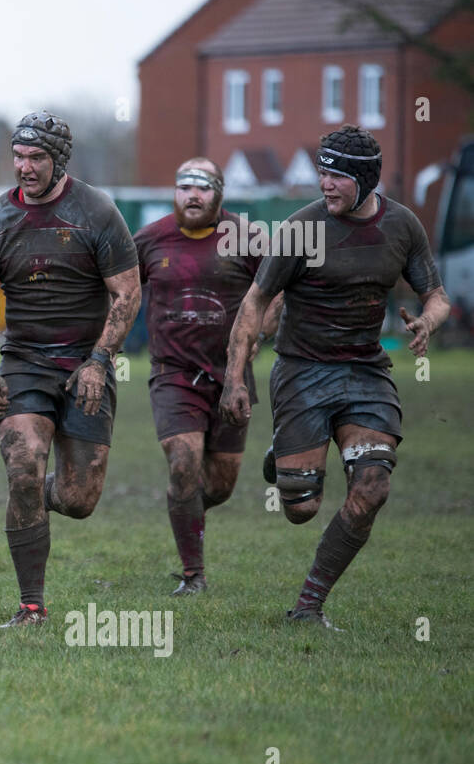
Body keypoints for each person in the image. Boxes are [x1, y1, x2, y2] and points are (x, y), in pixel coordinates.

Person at [220, 124, 449, 630]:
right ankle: (286, 452)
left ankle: (309, 605)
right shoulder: (301, 229)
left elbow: (437, 294)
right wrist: (236, 377)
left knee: (372, 488)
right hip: (303, 371)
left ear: (365, 180)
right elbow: (255, 300)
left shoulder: (403, 226)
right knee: (301, 507)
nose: (325, 185)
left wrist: (427, 322)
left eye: (337, 176)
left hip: (366, 371)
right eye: (322, 173)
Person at [0, 111, 141, 628]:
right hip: (25, 363)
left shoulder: (97, 212)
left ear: (59, 160)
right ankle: (31, 606)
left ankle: (31, 494)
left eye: (36, 157)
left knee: (80, 499)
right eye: (18, 156)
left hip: (87, 362)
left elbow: (127, 293)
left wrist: (100, 361)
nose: (24, 167)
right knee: (24, 459)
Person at [135, 158, 283, 595]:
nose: (192, 195)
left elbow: (275, 293)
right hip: (173, 373)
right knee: (184, 463)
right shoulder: (148, 239)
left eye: (203, 187)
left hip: (231, 374)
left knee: (218, 485)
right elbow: (119, 288)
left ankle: (185, 511)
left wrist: (259, 335)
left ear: (219, 193)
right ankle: (192, 574)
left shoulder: (249, 237)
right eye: (184, 187)